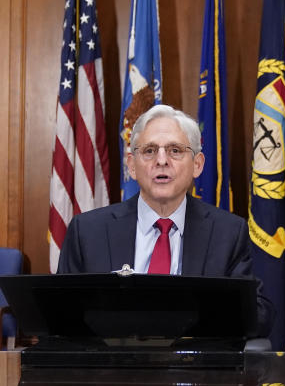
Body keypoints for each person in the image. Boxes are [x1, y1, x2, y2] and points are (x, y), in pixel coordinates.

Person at [56, 104, 271, 333]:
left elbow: (258, 314)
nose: (161, 160)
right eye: (149, 151)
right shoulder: (88, 232)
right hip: (113, 365)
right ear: (132, 166)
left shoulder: (229, 233)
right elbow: (60, 315)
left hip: (195, 365)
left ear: (197, 165)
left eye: (175, 150)